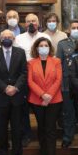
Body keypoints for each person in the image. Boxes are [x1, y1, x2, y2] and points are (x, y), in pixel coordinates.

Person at [0, 30, 27, 155]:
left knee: (17, 130)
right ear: (0, 39)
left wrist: (15, 87)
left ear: (13, 39)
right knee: (2, 130)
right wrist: (5, 88)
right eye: (4, 37)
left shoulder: (20, 52)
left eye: (9, 37)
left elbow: (24, 73)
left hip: (17, 97)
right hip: (1, 97)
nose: (6, 39)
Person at [14, 13, 50, 146]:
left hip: (41, 77)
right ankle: (26, 134)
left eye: (33, 21)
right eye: (28, 21)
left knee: (41, 108)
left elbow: (50, 55)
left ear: (38, 22)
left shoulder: (45, 37)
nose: (31, 24)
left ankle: (44, 135)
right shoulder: (18, 38)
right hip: (23, 76)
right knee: (23, 108)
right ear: (24, 24)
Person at [27, 37, 63, 155]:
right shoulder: (31, 63)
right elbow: (30, 81)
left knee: (51, 129)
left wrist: (49, 96)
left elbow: (58, 80)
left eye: (46, 45)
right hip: (37, 100)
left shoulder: (56, 61)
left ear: (49, 47)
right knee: (41, 129)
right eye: (41, 45)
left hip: (54, 100)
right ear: (36, 48)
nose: (43, 47)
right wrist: (42, 95)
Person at [56, 19, 78, 148]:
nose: (76, 30)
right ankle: (68, 137)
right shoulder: (62, 44)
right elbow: (58, 65)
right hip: (67, 83)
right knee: (68, 112)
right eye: (74, 28)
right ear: (69, 30)